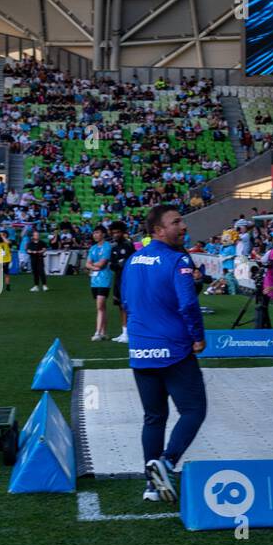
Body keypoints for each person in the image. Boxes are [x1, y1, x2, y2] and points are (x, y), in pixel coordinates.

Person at [123, 205, 207, 504]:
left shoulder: (132, 261)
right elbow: (188, 304)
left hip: (140, 350)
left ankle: (151, 485)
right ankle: (167, 462)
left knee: (154, 417)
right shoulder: (177, 259)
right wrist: (197, 337)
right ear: (158, 230)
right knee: (194, 410)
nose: (183, 226)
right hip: (173, 349)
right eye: (176, 222)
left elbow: (126, 303)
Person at [108, 220, 137, 343]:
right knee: (120, 305)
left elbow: (132, 262)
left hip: (128, 279)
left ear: (123, 232)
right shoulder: (114, 248)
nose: (116, 235)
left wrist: (120, 264)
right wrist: (119, 264)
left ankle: (132, 332)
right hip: (118, 279)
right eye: (114, 232)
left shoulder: (128, 245)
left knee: (128, 305)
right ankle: (124, 332)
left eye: (118, 232)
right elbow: (112, 265)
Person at [84, 226, 113, 341]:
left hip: (104, 279)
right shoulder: (93, 248)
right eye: (94, 233)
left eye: (97, 233)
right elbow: (87, 264)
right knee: (101, 307)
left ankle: (97, 332)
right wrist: (93, 266)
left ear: (103, 234)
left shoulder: (107, 247)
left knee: (100, 305)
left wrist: (92, 266)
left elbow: (102, 264)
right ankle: (104, 333)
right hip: (94, 280)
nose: (95, 235)